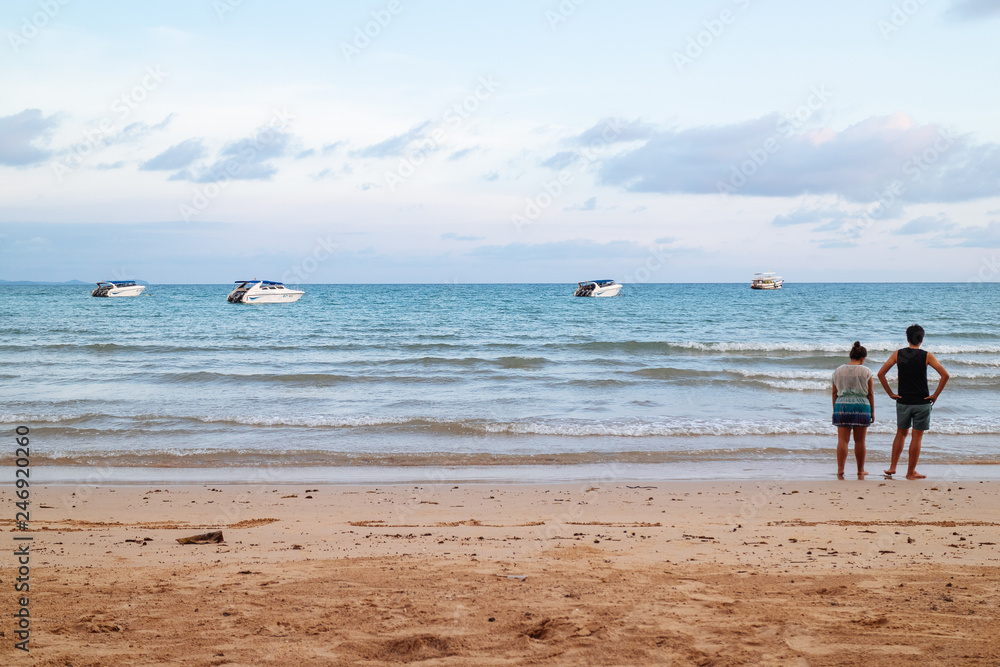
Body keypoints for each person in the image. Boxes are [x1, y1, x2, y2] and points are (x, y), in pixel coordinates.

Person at [877, 324, 950, 480]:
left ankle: (892, 467)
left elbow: (881, 373)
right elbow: (945, 375)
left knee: (900, 434)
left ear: (907, 338)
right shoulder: (927, 355)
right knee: (917, 437)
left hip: (903, 401)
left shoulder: (898, 354)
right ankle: (911, 472)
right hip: (922, 402)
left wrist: (890, 393)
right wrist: (935, 395)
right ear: (921, 339)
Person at [832, 341, 875, 479]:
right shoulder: (867, 371)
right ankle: (860, 470)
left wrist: (835, 409)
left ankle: (840, 469)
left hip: (842, 405)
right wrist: (872, 411)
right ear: (863, 358)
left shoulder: (838, 371)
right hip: (861, 405)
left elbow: (834, 393)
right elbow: (870, 394)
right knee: (860, 441)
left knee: (842, 440)